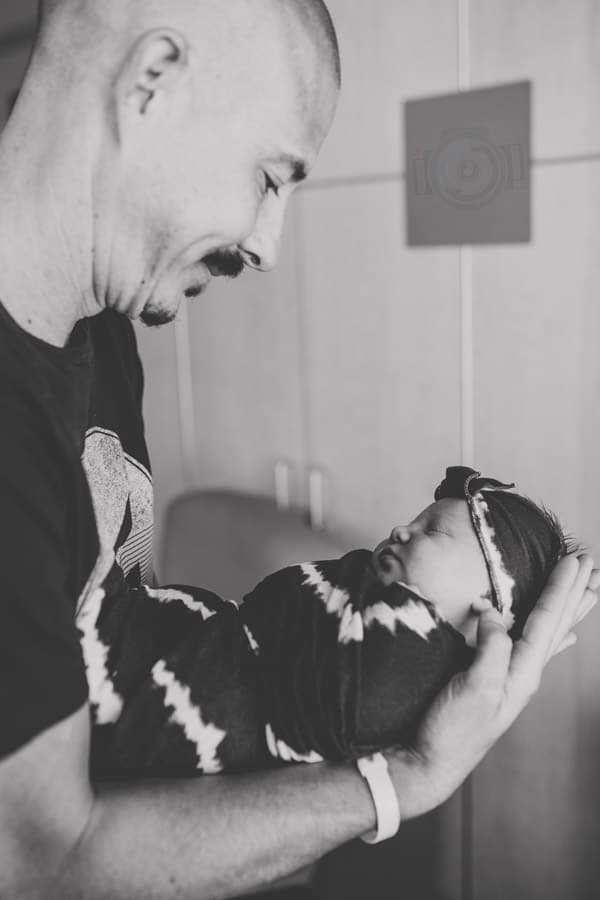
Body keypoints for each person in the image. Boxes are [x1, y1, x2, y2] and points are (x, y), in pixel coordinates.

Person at [0, 1, 596, 898]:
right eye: (272, 176)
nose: (269, 244)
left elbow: (119, 635)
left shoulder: (109, 336)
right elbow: (43, 864)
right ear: (151, 81)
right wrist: (405, 781)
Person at [86, 466, 577, 778]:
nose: (401, 529)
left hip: (178, 708)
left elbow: (351, 691)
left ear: (487, 610)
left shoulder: (408, 672)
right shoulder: (381, 611)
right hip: (190, 638)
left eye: (435, 530)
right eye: (417, 519)